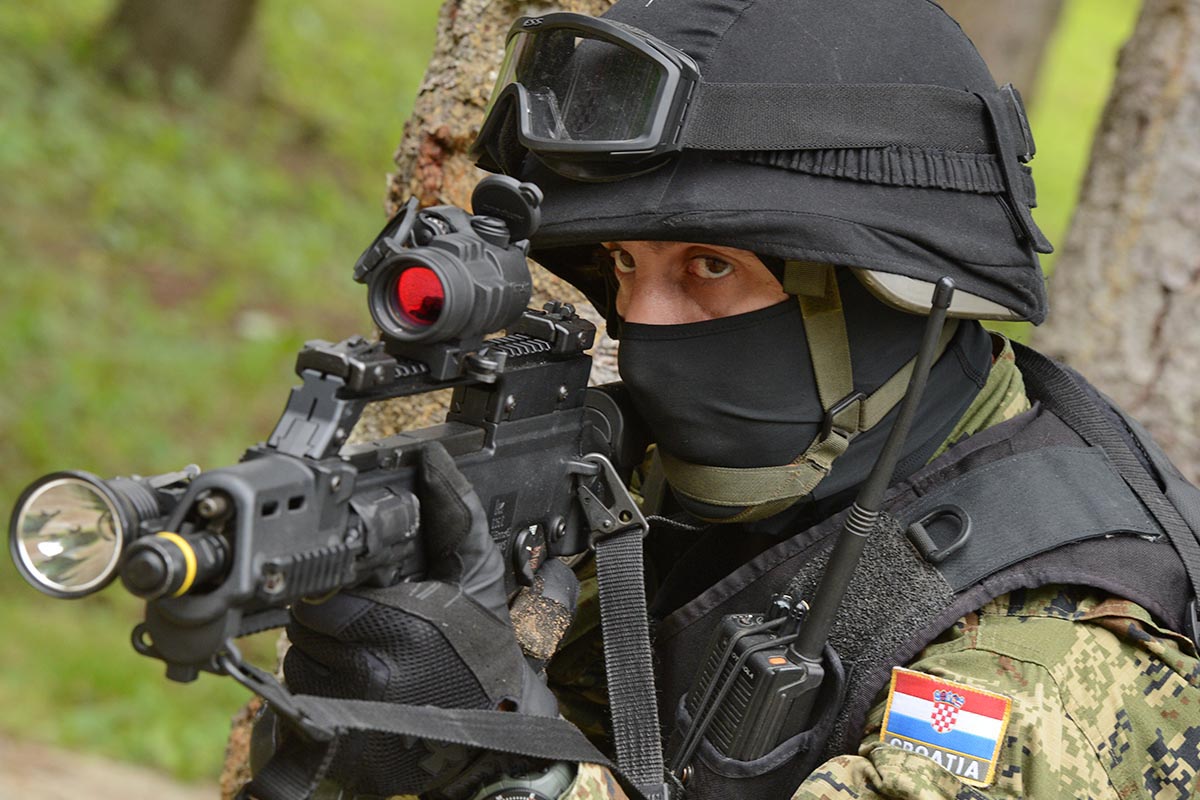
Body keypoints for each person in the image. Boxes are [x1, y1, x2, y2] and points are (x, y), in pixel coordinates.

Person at [256, 1, 1200, 798]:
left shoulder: (1046, 656)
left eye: (711, 266)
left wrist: (496, 764)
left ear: (886, 294)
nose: (642, 327)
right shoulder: (706, 487)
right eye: (625, 264)